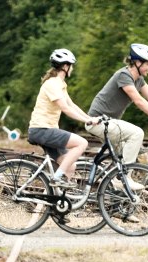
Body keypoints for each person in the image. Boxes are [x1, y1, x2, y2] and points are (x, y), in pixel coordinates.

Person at [86, 43, 148, 190]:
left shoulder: (138, 79)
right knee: (137, 133)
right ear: (137, 63)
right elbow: (139, 100)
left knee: (129, 153)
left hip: (110, 123)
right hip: (98, 122)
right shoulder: (124, 76)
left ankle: (117, 201)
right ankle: (123, 178)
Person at [28, 48, 97, 188]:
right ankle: (57, 177)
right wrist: (86, 121)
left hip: (47, 129)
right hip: (42, 129)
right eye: (72, 65)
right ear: (66, 66)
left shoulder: (60, 84)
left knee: (70, 166)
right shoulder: (52, 84)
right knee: (82, 143)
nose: (72, 68)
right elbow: (65, 109)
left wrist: (90, 118)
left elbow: (72, 105)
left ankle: (59, 203)